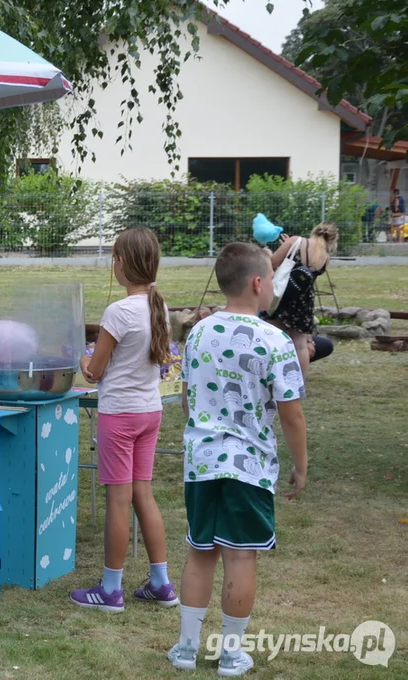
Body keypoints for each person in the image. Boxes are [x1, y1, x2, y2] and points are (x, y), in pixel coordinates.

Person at [169, 243, 308, 676]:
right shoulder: (276, 341)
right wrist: (301, 465)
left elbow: (190, 399)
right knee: (241, 556)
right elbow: (292, 414)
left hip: (202, 463)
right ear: (258, 283)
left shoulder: (198, 333)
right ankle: (231, 654)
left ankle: (186, 649)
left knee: (200, 553)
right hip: (249, 469)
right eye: (272, 279)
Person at [70, 228, 177, 613]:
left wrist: (81, 359)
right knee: (142, 496)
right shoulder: (157, 306)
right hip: (150, 412)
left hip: (119, 415)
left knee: (118, 500)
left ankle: (111, 590)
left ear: (122, 264)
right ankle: (161, 583)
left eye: (113, 257)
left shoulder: (118, 312)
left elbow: (94, 373)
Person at [262, 221, 338, 379]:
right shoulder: (325, 257)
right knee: (300, 345)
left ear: (314, 231)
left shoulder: (295, 241)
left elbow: (273, 263)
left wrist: (268, 252)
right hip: (304, 301)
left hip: (283, 295)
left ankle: (268, 375)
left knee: (270, 335)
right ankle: (298, 382)